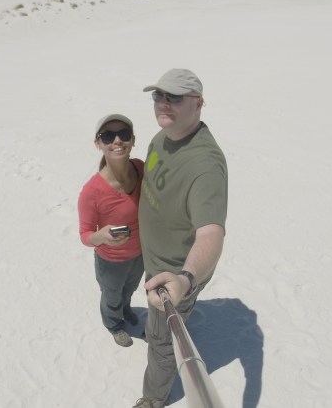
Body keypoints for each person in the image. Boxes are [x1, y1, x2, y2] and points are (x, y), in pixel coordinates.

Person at [133, 69, 228, 408]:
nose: (163, 103)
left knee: (160, 340)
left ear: (199, 103)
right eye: (158, 95)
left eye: (174, 97)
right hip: (151, 255)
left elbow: (211, 234)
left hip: (171, 275)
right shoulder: (161, 137)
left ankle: (154, 398)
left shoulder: (205, 163)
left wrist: (185, 279)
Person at [77, 113, 145, 347]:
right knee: (111, 296)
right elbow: (85, 235)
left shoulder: (140, 168)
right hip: (112, 261)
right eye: (108, 136)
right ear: (98, 144)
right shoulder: (92, 192)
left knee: (130, 289)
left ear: (133, 139)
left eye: (124, 134)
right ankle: (114, 325)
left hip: (140, 254)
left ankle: (125, 310)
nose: (117, 140)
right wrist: (101, 236)